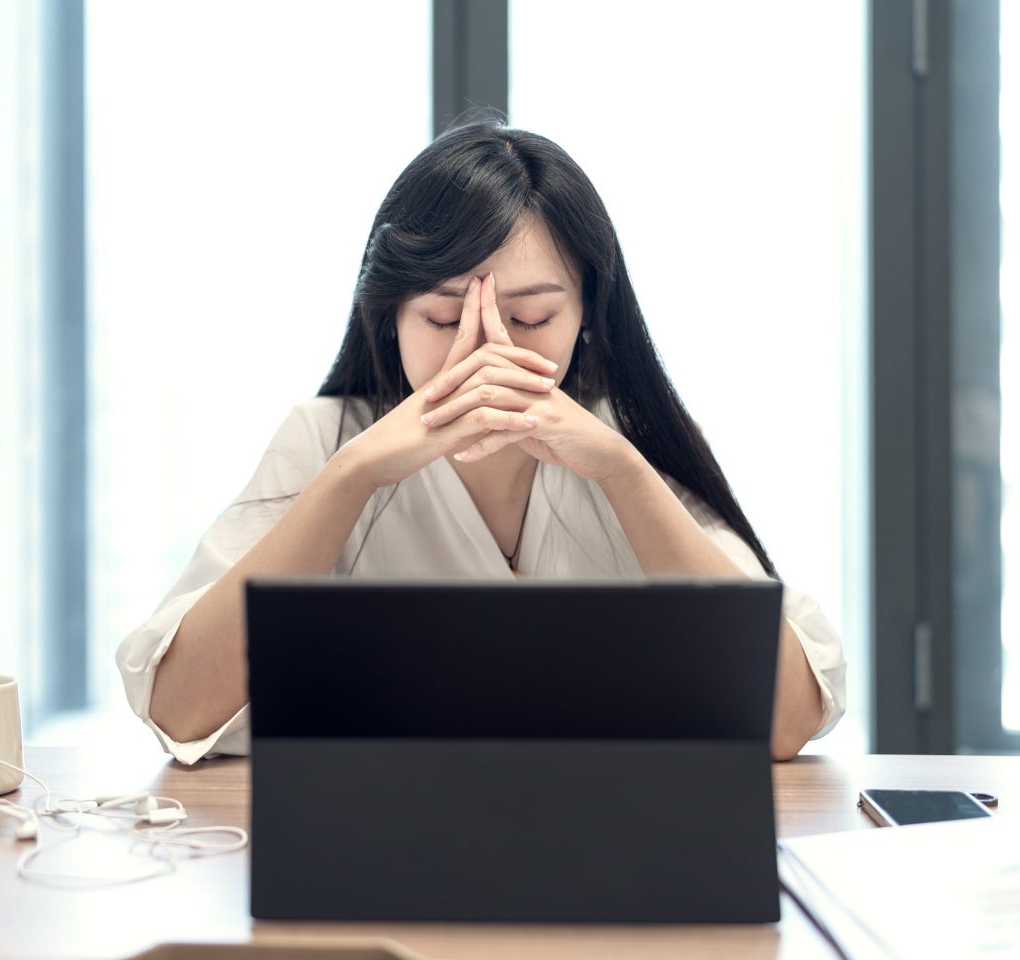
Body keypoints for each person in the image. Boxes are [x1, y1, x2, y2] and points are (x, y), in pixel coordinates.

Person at [116, 119, 846, 765]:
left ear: (589, 315)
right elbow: (180, 707)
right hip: (379, 847)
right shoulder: (327, 438)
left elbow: (784, 718)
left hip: (605, 850)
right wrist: (352, 476)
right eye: (442, 320)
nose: (482, 356)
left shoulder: (633, 442)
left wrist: (624, 472)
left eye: (529, 321)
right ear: (389, 314)